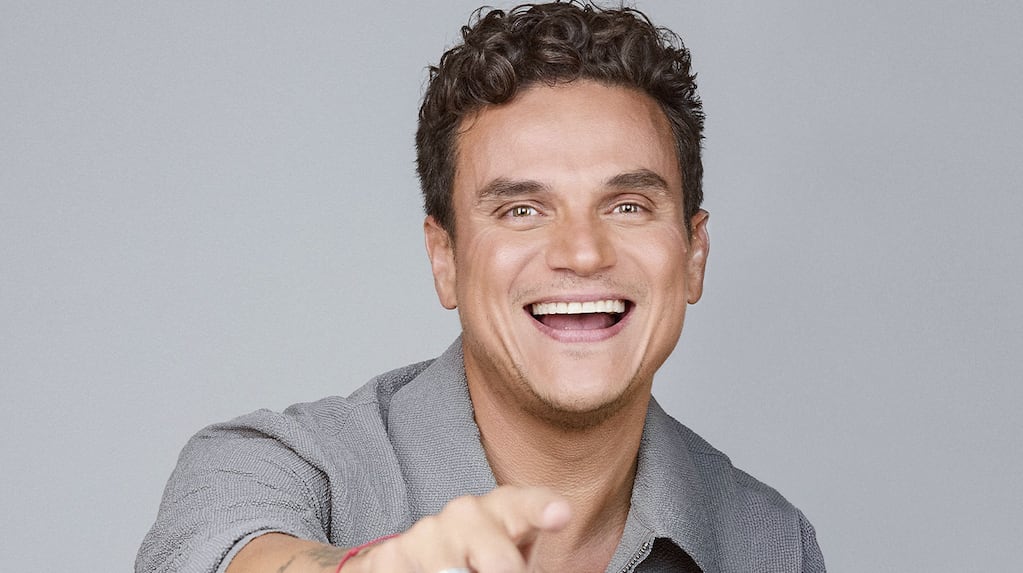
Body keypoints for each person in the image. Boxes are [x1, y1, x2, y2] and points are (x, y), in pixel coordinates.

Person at [137, 2, 825, 572]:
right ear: (445, 258)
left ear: (694, 254)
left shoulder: (771, 544)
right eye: (521, 210)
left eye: (627, 205)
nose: (582, 252)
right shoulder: (273, 466)